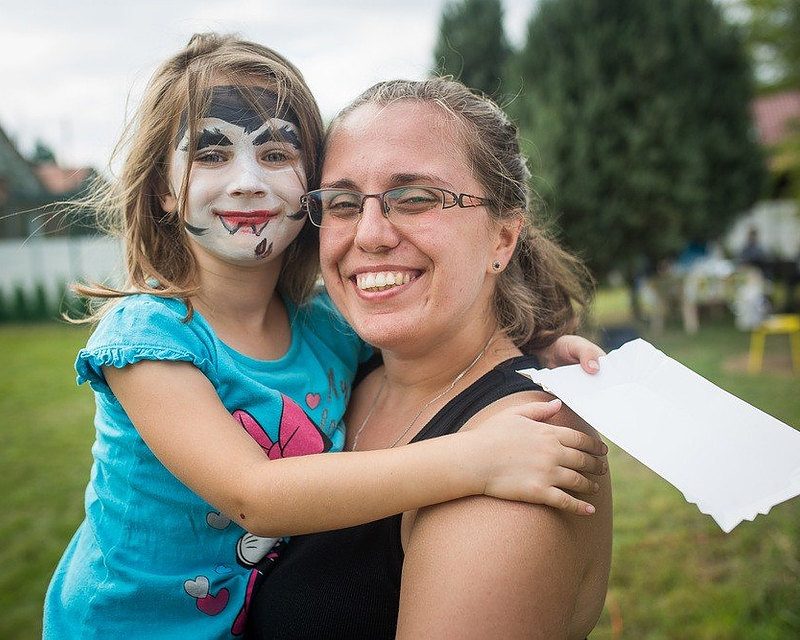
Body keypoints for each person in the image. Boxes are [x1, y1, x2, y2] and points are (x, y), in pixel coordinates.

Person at [43, 35, 608, 639]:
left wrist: (542, 346)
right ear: (161, 186)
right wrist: (474, 459)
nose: (246, 183)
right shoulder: (150, 335)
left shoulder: (326, 330)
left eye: (275, 153)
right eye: (210, 156)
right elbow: (254, 494)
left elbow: (471, 346)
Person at [247, 79, 613, 639]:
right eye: (342, 203)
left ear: (503, 237)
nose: (368, 235)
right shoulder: (345, 370)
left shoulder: (525, 451)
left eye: (416, 197)